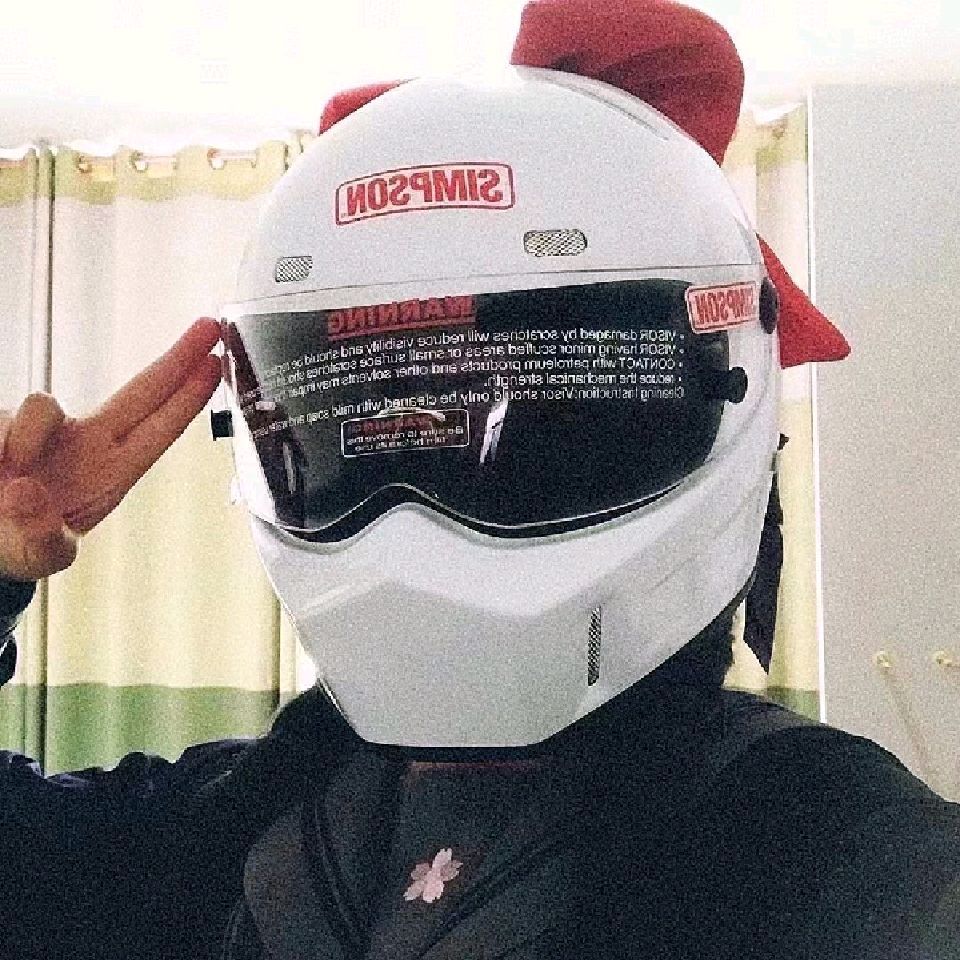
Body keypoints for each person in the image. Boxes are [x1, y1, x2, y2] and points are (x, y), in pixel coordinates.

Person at [2, 2, 959, 958]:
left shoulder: (825, 840)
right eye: (366, 414)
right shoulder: (252, 806)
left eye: (542, 417)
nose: (420, 516)